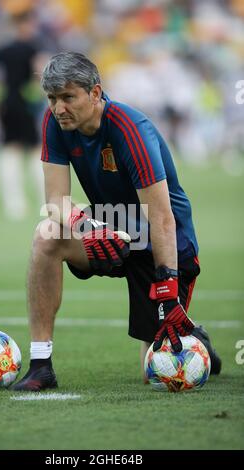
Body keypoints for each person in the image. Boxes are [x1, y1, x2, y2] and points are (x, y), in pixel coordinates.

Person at [12, 51, 221, 391]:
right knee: (47, 235)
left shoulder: (129, 128)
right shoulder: (54, 122)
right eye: (52, 99)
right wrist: (84, 223)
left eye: (68, 97)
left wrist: (167, 286)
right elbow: (55, 202)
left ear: (95, 93)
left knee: (155, 374)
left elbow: (162, 218)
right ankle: (41, 365)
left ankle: (196, 337)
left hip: (163, 242)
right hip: (111, 230)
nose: (58, 108)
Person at [0, 12, 44, 220]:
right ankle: (44, 200)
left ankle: (14, 203)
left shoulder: (1, 50)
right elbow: (40, 74)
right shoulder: (32, 48)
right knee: (34, 150)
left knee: (9, 150)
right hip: (26, 104)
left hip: (6, 103)